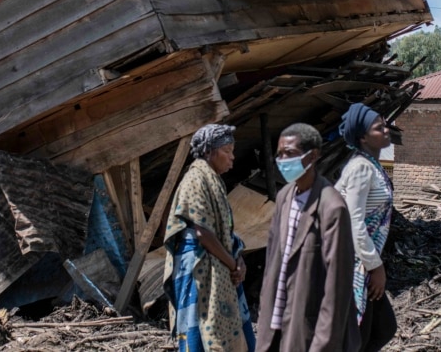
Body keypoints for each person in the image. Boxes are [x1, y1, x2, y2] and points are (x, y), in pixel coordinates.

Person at [257, 123, 358, 352]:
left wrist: (323, 344)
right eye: (280, 154)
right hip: (275, 323)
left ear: (312, 156)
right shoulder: (284, 197)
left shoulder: (331, 207)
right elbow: (273, 261)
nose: (282, 160)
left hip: (308, 329)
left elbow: (337, 287)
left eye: (290, 154)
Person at [163, 124, 255, 352]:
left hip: (219, 267)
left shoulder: (214, 182)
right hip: (199, 271)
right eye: (227, 151)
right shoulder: (195, 180)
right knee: (200, 335)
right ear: (208, 151)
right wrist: (233, 263)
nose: (232, 158)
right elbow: (202, 232)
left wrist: (239, 260)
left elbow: (224, 232)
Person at [335, 104, 397, 352]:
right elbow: (354, 222)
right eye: (378, 127)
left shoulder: (372, 165)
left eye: (385, 124)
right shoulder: (360, 168)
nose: (386, 129)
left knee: (381, 329)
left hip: (363, 262)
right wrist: (376, 266)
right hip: (355, 265)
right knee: (361, 335)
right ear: (362, 137)